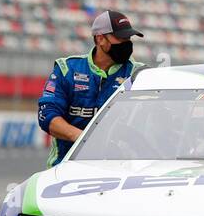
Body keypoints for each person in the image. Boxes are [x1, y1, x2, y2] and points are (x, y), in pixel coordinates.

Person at [38, 10, 143, 166]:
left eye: (128, 38)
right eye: (121, 38)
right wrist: (86, 140)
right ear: (100, 39)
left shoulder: (138, 74)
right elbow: (47, 116)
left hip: (119, 167)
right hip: (65, 166)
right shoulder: (67, 69)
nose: (126, 43)